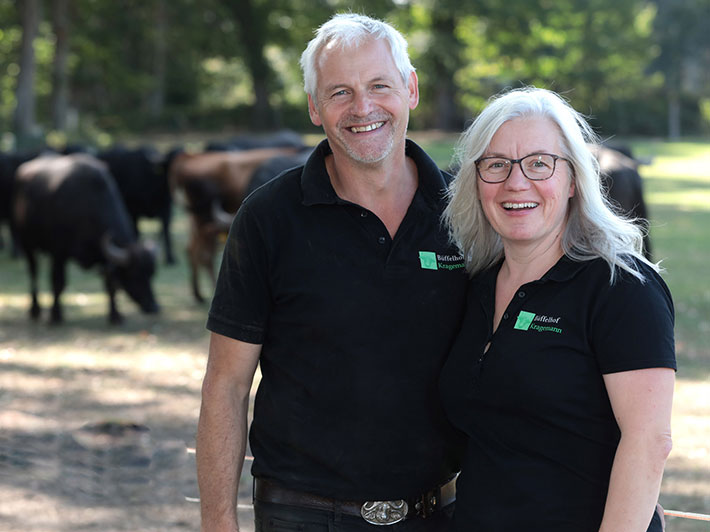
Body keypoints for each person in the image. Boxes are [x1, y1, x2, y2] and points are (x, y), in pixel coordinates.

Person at [196, 13, 468, 532]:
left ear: (410, 89)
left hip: (442, 513)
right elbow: (226, 385)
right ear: (314, 108)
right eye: (339, 92)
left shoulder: (464, 212)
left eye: (379, 86)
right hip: (303, 515)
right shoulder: (268, 219)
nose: (363, 108)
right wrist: (217, 522)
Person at [440, 87, 676, 532]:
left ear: (573, 179)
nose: (516, 182)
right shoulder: (477, 287)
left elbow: (649, 443)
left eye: (539, 163)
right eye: (496, 165)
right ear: (475, 181)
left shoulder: (621, 287)